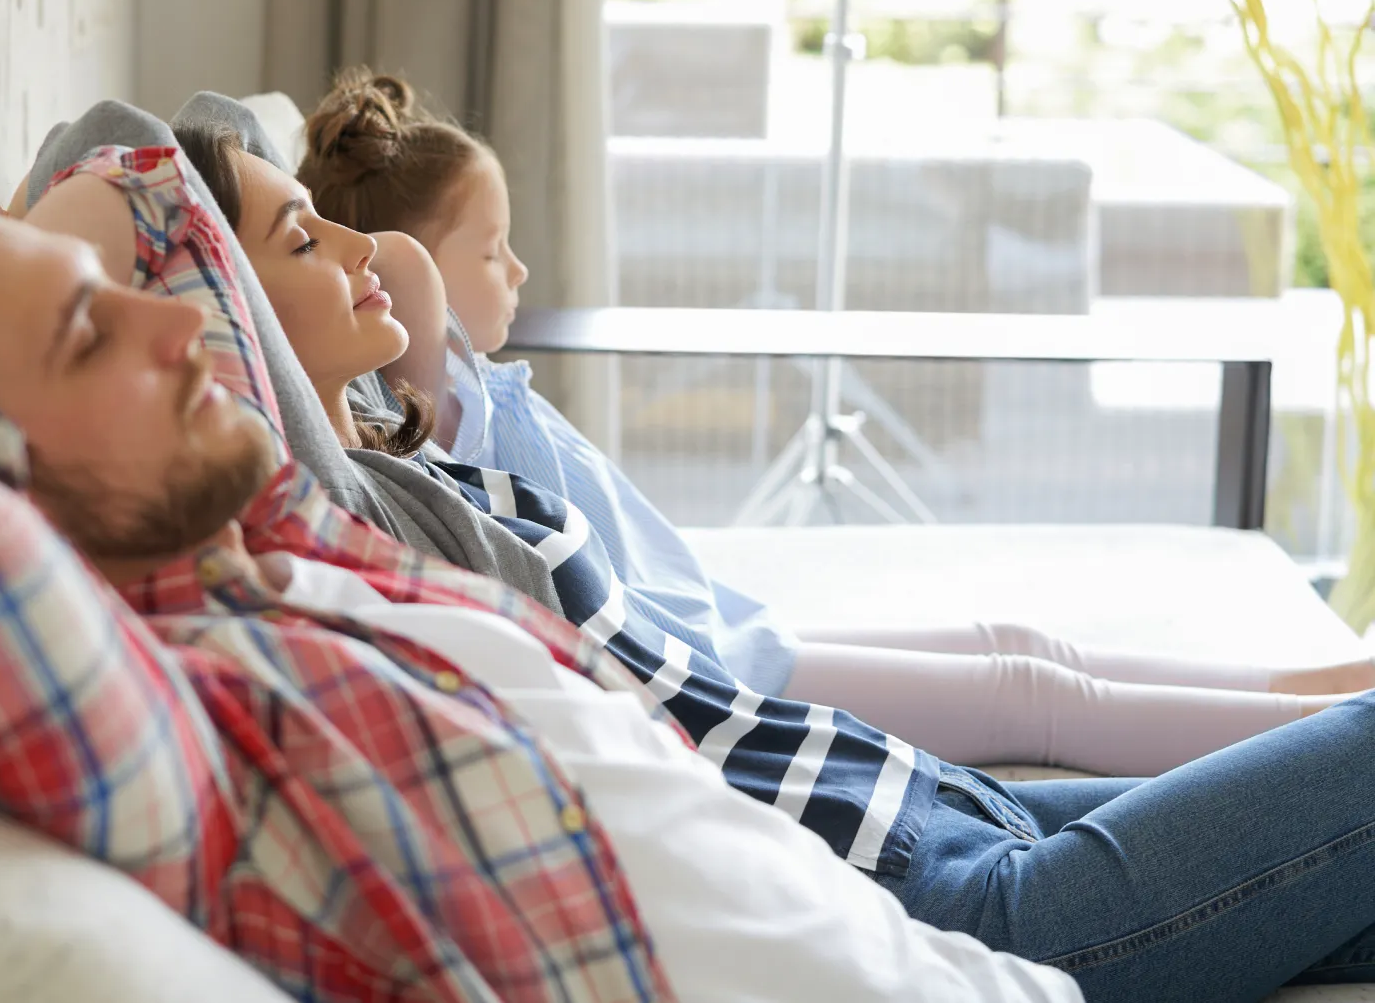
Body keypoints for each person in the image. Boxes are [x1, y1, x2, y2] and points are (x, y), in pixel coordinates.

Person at [0, 105, 1075, 1002]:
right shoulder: (187, 717)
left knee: (1061, 686)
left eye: (139, 300)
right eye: (87, 333)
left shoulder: (269, 549)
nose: (187, 332)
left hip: (933, 938)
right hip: (960, 925)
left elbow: (148, 173)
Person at [157, 94, 1375, 1000]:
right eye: (303, 241)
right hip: (950, 902)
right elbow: (142, 168)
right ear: (229, 315)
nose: (364, 251)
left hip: (929, 805)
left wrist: (287, 216)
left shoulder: (400, 454)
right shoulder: (338, 535)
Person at [287, 66, 1375, 776]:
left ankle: (1315, 686)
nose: (516, 268)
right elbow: (403, 275)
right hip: (723, 678)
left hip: (730, 625)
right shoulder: (422, 409)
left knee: (1020, 645)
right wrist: (357, 229)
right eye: (488, 247)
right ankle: (1320, 752)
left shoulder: (465, 388)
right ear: (403, 263)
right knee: (1026, 699)